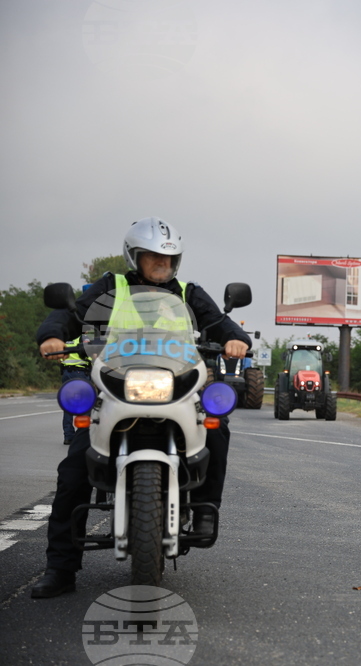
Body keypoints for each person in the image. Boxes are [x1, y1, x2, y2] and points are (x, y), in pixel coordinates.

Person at [31, 217, 251, 599]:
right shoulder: (110, 287)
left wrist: (235, 339)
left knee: (216, 427)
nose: (163, 265)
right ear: (134, 257)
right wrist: (52, 335)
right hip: (118, 385)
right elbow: (70, 315)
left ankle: (203, 507)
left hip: (175, 384)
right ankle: (60, 569)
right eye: (154, 257)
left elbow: (219, 322)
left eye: (169, 258)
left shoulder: (188, 293)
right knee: (74, 469)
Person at [58, 336, 90, 445]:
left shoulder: (64, 337)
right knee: (84, 404)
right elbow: (91, 354)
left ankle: (68, 437)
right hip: (80, 373)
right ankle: (82, 436)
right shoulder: (83, 337)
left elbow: (59, 357)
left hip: (66, 373)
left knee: (68, 404)